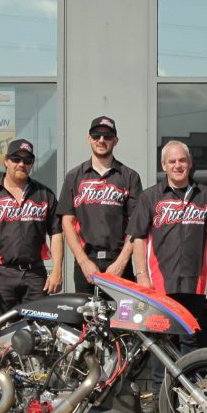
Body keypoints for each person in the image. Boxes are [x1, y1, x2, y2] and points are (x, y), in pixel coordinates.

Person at [128, 140, 207, 413]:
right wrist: (142, 276)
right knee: (160, 341)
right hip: (159, 282)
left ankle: (188, 393)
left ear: (190, 163)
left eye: (182, 160)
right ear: (163, 166)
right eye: (172, 162)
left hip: (195, 281)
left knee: (191, 339)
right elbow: (137, 237)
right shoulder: (150, 197)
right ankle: (161, 397)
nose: (178, 165)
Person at [0, 139, 62, 317]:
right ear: (6, 161)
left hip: (35, 274)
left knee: (38, 334)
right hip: (1, 274)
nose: (21, 164)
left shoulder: (44, 194)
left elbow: (56, 233)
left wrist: (56, 271)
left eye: (27, 160)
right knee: (0, 334)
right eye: (16, 159)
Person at [58, 116, 143, 291]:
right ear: (89, 139)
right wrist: (83, 261)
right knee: (85, 317)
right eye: (96, 136)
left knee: (121, 318)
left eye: (107, 136)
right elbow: (67, 222)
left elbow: (136, 224)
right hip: (86, 262)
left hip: (119, 263)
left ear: (116, 141)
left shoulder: (130, 176)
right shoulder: (74, 177)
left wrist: (121, 263)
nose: (101, 140)